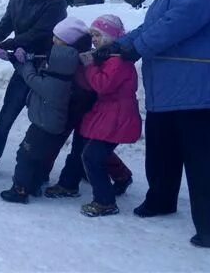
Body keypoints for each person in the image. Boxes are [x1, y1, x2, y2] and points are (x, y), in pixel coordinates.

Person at [95, 0, 210, 247]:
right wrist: (119, 45)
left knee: (204, 158)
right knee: (162, 150)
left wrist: (136, 48)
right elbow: (153, 24)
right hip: (170, 87)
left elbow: (178, 22)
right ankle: (161, 199)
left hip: (199, 86)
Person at [0, 0, 67, 181]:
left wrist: (1, 46)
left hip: (46, 69)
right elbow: (4, 27)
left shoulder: (56, 2)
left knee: (43, 123)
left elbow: (38, 33)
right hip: (22, 67)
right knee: (6, 117)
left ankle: (40, 169)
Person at [46, 15, 141, 217]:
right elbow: (91, 83)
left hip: (117, 115)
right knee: (92, 149)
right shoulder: (106, 56)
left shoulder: (118, 60)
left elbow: (102, 85)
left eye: (98, 35)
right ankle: (118, 176)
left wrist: (90, 65)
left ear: (110, 36)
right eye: (93, 35)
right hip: (106, 112)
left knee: (92, 154)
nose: (94, 39)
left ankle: (105, 201)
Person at [0, 17, 87, 204]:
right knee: (39, 156)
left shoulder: (59, 74)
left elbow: (33, 79)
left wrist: (23, 64)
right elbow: (43, 65)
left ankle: (19, 190)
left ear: (68, 45)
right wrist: (19, 58)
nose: (53, 41)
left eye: (58, 39)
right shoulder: (65, 65)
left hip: (44, 123)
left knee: (25, 154)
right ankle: (34, 184)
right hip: (50, 121)